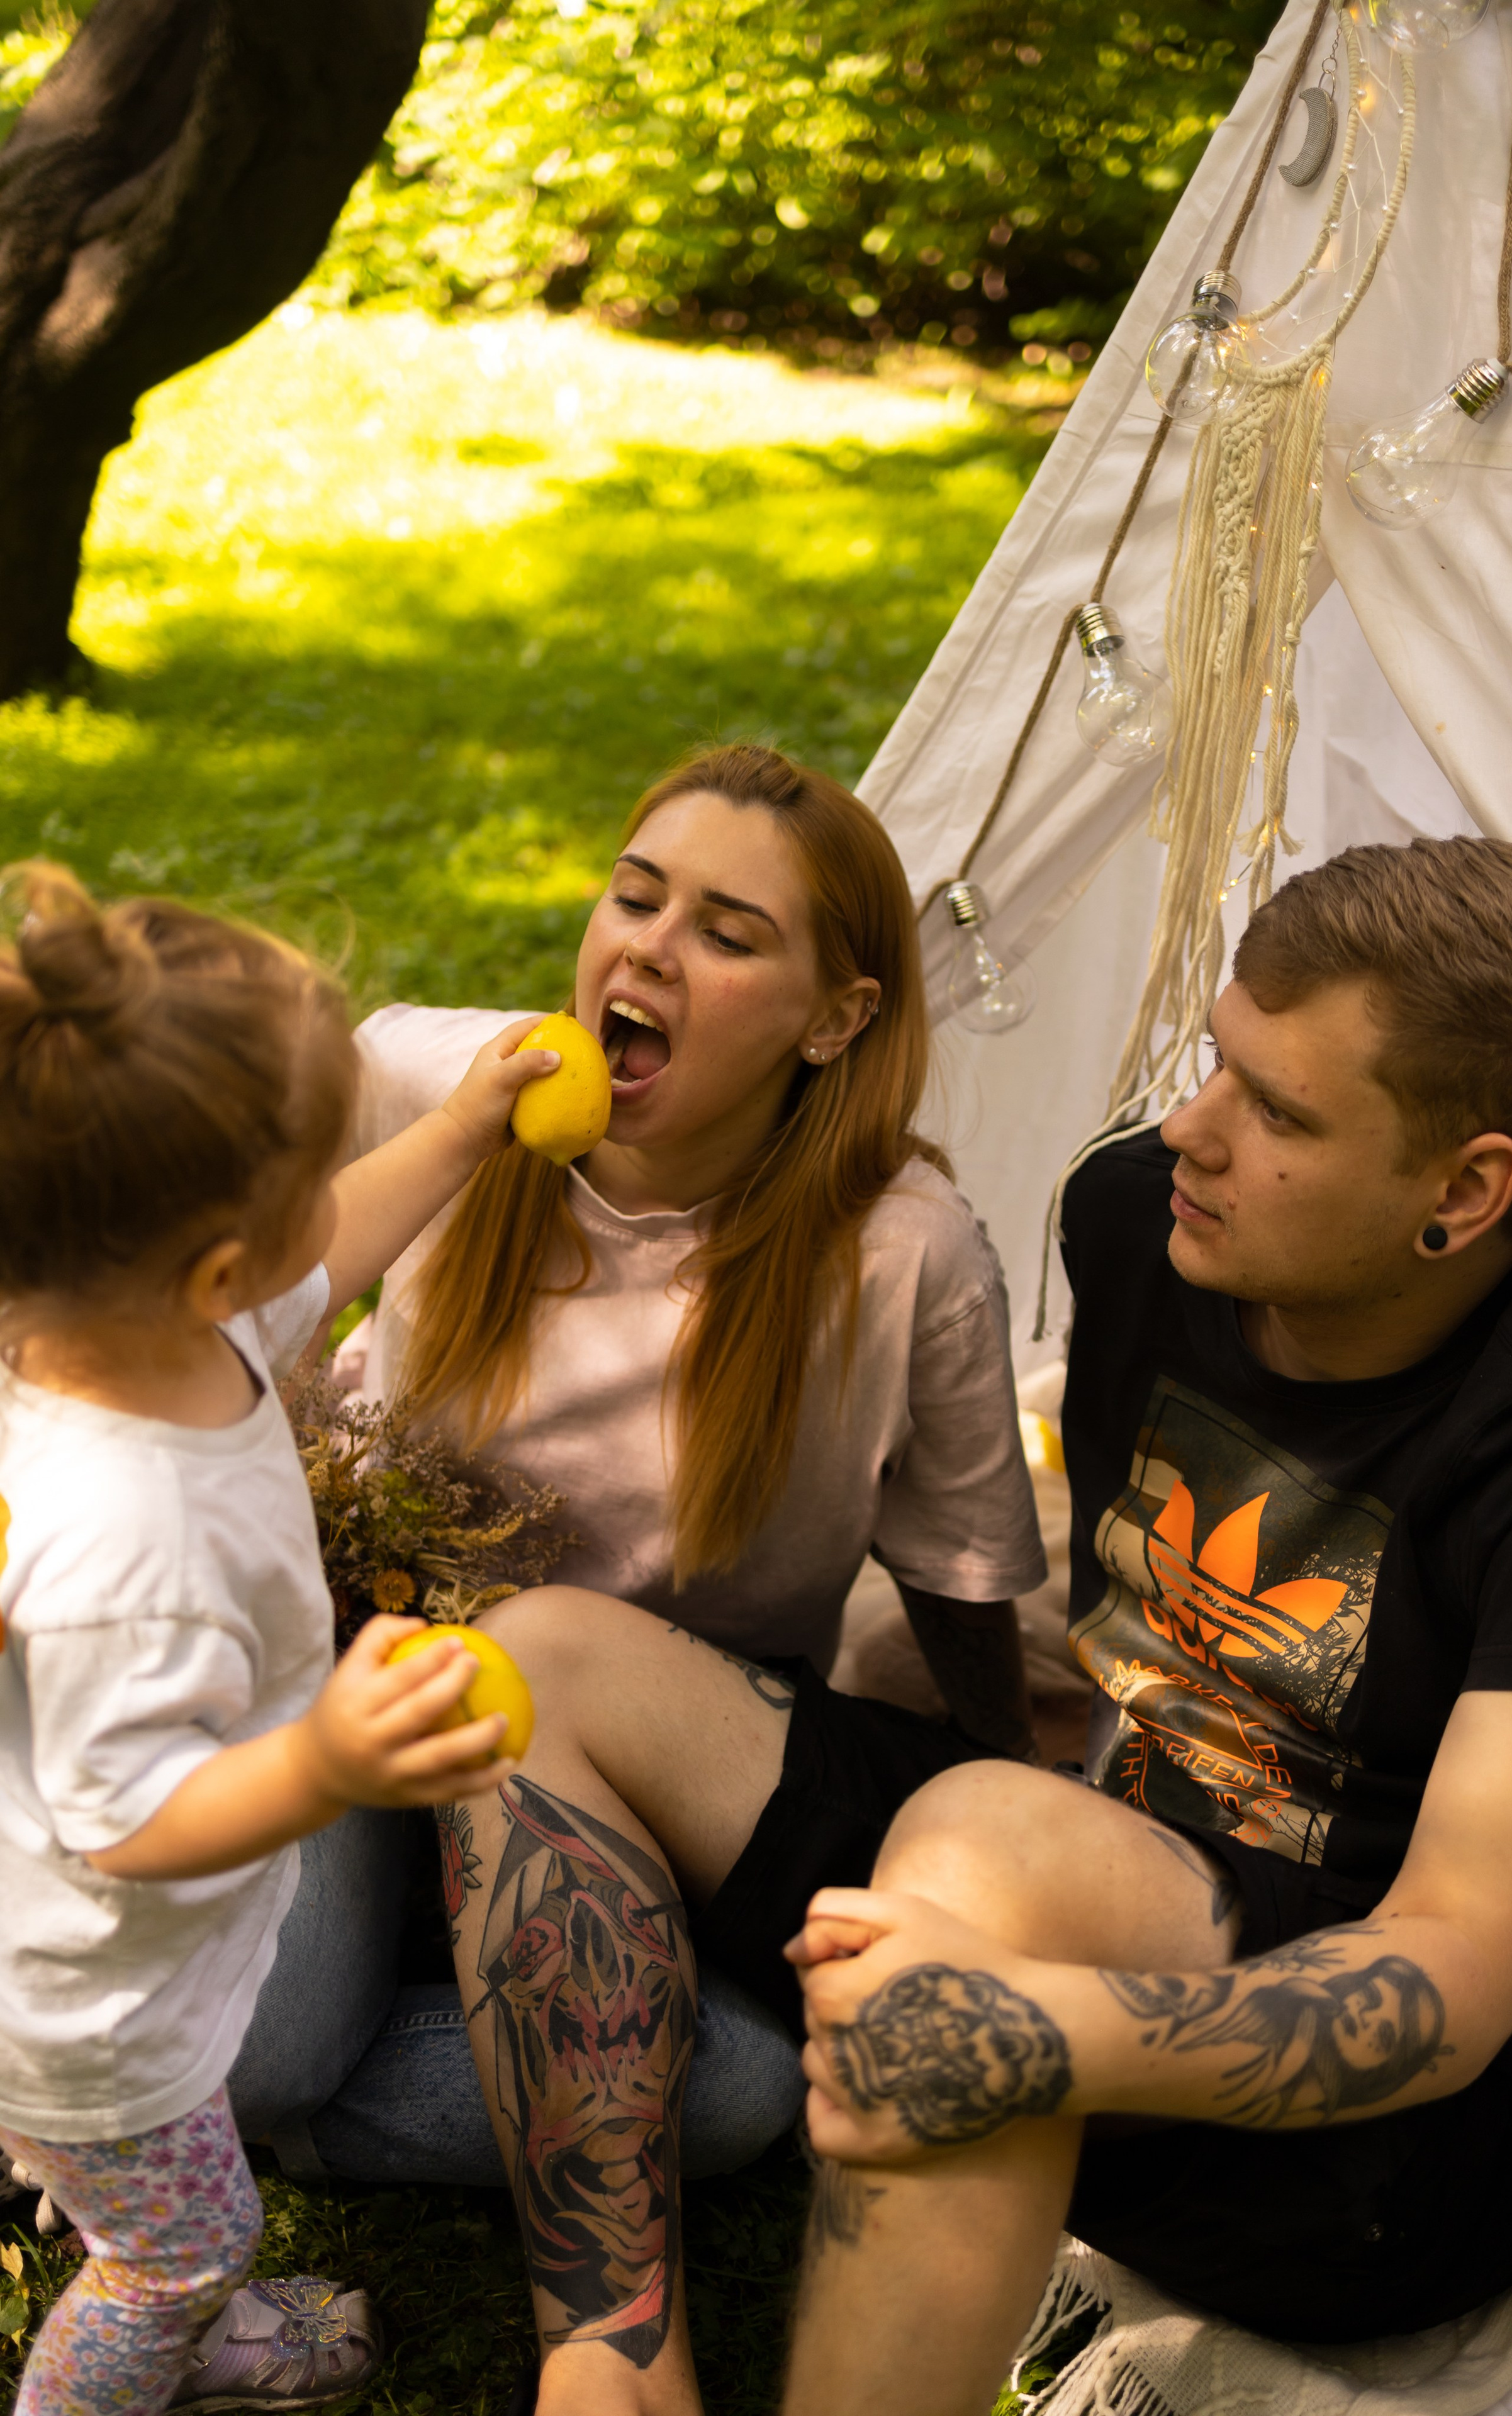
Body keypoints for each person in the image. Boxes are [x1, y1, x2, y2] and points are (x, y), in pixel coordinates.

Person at [778, 835, 1512, 2416]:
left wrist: (1031, 2031)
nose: (1189, 1130)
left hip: (1379, 2150)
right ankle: (612, 2341)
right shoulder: (1131, 1218)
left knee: (979, 1839)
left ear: (1466, 1189)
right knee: (568, 1665)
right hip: (1130, 1865)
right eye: (1216, 1062)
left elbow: (1445, 1977)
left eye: (1276, 1112)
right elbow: (1129, 1629)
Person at [230, 742, 1047, 2193]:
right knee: (276, 2048)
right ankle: (205, 2078)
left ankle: (141, 2081)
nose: (650, 951)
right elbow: (238, 1310)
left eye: (728, 936)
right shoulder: (432, 1086)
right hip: (354, 1693)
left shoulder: (899, 1256)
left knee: (730, 2095)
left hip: (617, 1780)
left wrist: (1004, 1794)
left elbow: (957, 1570)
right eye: (636, 898)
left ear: (832, 1018)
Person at [0, 864, 567, 2413]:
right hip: (89, 2001)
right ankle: (119, 2362)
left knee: (144, 2193)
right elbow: (128, 1824)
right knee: (180, 2245)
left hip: (61, 1953)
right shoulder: (131, 1538)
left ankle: (116, 2222)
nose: (344, 1190)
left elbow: (332, 1254)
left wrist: (457, 1131)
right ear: (211, 1269)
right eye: (318, 1171)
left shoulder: (142, 1333)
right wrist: (323, 1757)